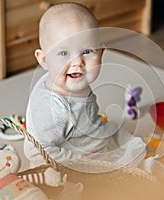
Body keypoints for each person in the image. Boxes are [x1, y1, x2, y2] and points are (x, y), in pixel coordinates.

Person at [24, 2, 146, 169]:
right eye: (64, 53)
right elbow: (35, 150)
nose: (77, 62)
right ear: (44, 60)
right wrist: (79, 163)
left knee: (119, 133)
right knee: (116, 168)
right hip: (76, 159)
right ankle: (139, 167)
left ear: (101, 53)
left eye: (87, 51)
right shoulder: (52, 108)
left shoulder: (63, 79)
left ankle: (137, 157)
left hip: (90, 134)